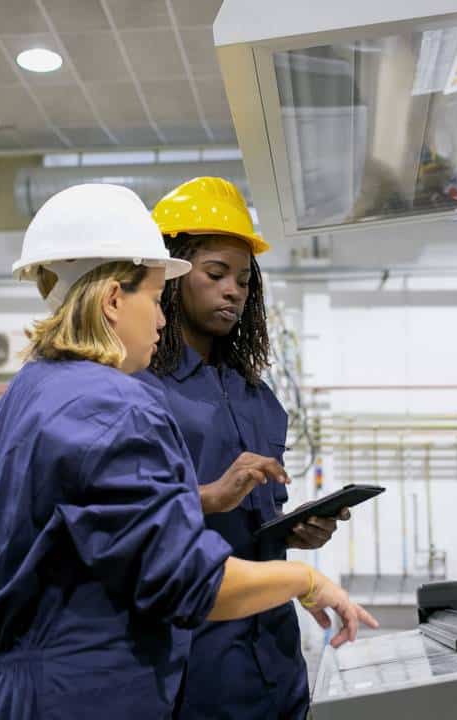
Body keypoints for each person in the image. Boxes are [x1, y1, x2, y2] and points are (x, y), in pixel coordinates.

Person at [0, 184, 377, 720]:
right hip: (88, 693)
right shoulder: (111, 402)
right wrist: (309, 580)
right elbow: (187, 580)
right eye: (156, 300)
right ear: (113, 299)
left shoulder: (24, 396)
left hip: (18, 691)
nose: (160, 320)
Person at [142, 177, 351, 719]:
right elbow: (124, 518)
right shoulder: (137, 390)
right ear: (169, 277)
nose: (233, 290)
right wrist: (210, 494)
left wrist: (299, 529)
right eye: (215, 274)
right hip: (190, 656)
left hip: (273, 651)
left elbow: (259, 526)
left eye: (243, 280)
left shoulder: (259, 399)